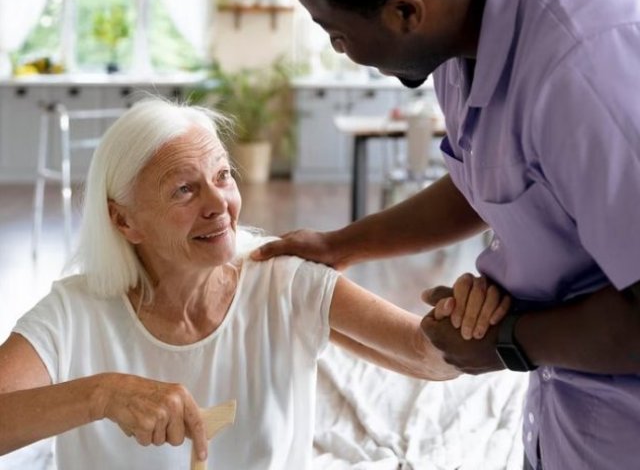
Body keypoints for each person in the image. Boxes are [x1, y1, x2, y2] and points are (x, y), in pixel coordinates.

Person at [251, 0, 640, 470]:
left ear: (406, 11)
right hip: (574, 416)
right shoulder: (461, 48)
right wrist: (340, 245)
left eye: (336, 32)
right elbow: (483, 183)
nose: (338, 48)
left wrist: (507, 344)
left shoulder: (588, 60)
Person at [0, 97, 506, 470]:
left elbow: (425, 355)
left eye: (222, 176)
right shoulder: (74, 309)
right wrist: (102, 395)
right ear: (124, 221)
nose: (218, 203)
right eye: (183, 189)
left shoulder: (282, 280)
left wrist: (462, 324)